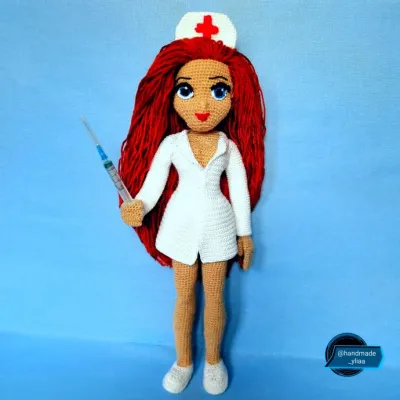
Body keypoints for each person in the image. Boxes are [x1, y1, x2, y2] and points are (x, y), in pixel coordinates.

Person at [118, 12, 266, 395]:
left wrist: (245, 235)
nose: (202, 104)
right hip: (181, 227)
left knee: (215, 297)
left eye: (217, 92)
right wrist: (139, 206)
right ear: (173, 96)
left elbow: (240, 191)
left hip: (218, 228)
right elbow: (152, 186)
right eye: (187, 91)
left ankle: (213, 361)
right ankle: (183, 360)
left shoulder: (229, 148)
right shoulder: (172, 144)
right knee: (184, 296)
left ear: (232, 96)